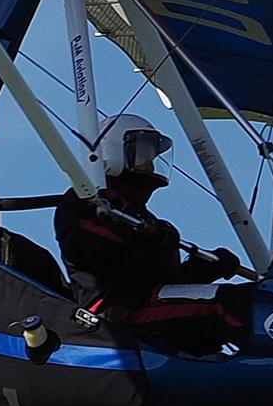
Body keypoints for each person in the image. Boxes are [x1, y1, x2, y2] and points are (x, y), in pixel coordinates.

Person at [54, 114, 245, 345]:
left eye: (152, 156)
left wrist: (201, 270)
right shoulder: (85, 202)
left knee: (248, 299)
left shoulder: (141, 217)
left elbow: (158, 283)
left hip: (143, 303)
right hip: (114, 313)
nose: (150, 164)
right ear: (115, 151)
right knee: (230, 305)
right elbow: (89, 248)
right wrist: (144, 235)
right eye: (144, 152)